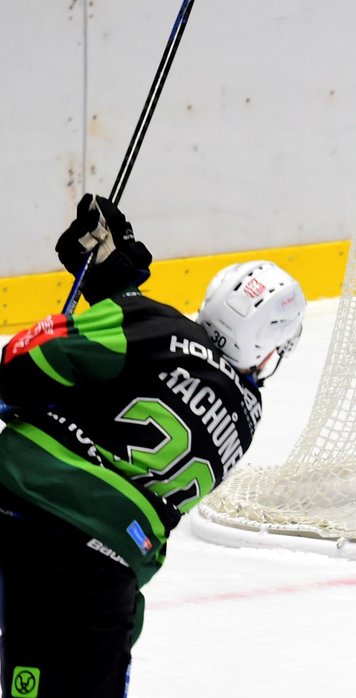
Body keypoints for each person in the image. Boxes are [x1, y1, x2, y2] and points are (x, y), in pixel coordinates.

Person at [0, 194, 306, 697]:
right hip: (107, 570)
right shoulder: (246, 418)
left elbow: (22, 363)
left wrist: (114, 294)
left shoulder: (149, 324)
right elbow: (167, 363)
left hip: (24, 504)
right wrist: (116, 284)